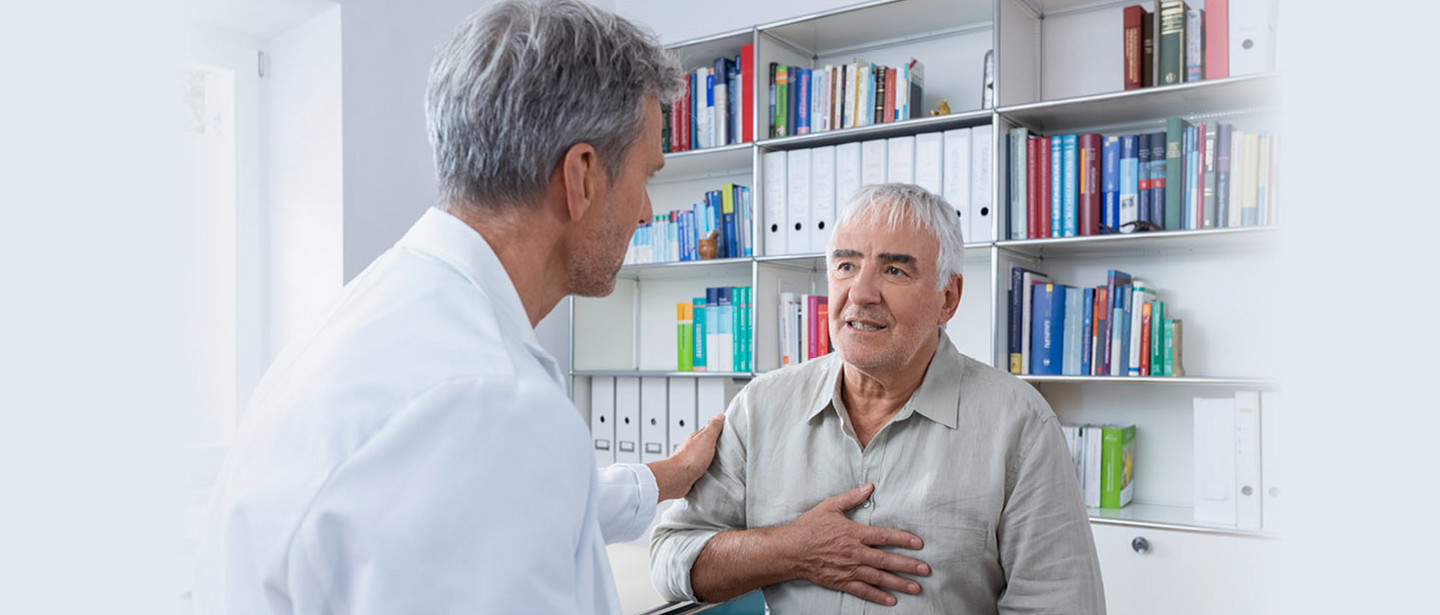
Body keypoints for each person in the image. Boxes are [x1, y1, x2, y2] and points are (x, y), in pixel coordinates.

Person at [191, 1, 718, 613]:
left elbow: (521, 498)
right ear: (581, 176)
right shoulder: (487, 402)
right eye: (646, 176)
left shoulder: (389, 319)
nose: (648, 212)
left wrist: (669, 476)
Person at [650, 183, 1107, 614]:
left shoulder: (1020, 424)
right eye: (845, 266)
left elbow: (1060, 604)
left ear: (948, 298)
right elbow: (671, 558)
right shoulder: (762, 406)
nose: (861, 293)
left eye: (894, 270)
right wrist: (790, 550)